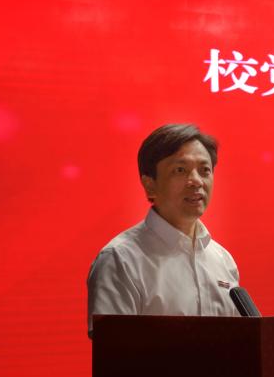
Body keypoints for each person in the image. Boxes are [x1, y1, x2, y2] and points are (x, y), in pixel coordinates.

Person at [87, 123, 240, 336]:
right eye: (180, 170)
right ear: (150, 184)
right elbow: (114, 351)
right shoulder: (120, 260)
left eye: (205, 170)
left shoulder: (223, 260)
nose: (196, 181)